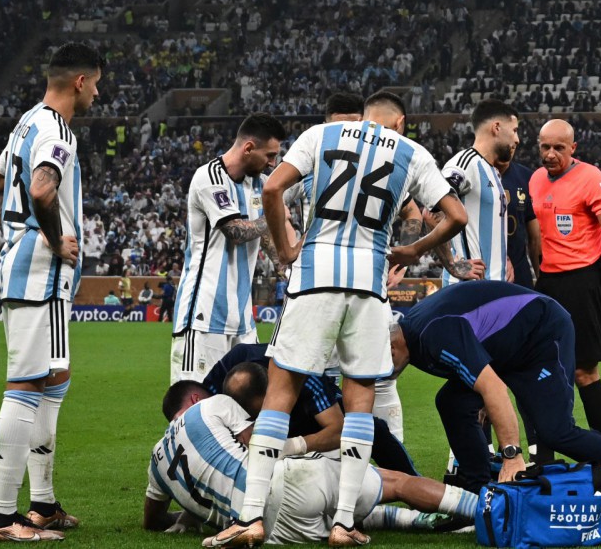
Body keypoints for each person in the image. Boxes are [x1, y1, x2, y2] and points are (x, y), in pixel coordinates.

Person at [212, 91, 469, 547]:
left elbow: (272, 189)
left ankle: (250, 517)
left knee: (281, 391)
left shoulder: (320, 134)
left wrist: (288, 249)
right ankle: (344, 523)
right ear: (399, 122)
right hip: (368, 286)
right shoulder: (411, 152)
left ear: (364, 116)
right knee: (360, 400)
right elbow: (456, 216)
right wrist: (414, 250)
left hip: (314, 277)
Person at [389, 280, 601, 539]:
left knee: (556, 431)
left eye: (384, 362)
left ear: (391, 345)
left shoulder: (434, 334)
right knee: (451, 402)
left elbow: (493, 389)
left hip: (542, 333)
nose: (384, 372)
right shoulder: (412, 336)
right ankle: (475, 498)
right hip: (506, 348)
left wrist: (511, 454)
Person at [0, 41, 103, 542]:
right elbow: (41, 190)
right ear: (79, 82)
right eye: (96, 82)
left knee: (54, 378)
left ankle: (43, 505)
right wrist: (48, 239)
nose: (97, 92)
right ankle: (2, 518)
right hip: (40, 274)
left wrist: (14, 236)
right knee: (26, 384)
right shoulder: (56, 129)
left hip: (29, 270)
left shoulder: (24, 123)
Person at [144, 386, 479, 545]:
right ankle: (487, 510)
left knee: (347, 513)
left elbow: (153, 520)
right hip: (282, 484)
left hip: (270, 532)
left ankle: (427, 522)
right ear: (194, 399)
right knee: (394, 483)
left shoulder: (156, 461)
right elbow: (259, 444)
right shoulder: (211, 406)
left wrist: (191, 514)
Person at [171, 113, 288, 383]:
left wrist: (286, 267)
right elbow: (235, 231)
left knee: (246, 403)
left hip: (243, 318)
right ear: (248, 148)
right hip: (204, 315)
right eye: (269, 155)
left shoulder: (260, 185)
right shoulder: (209, 177)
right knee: (193, 402)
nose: (273, 162)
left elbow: (268, 237)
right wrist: (273, 216)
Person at [528, 119, 601, 441]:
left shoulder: (591, 179)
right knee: (545, 371)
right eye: (546, 147)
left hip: (581, 283)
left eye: (559, 147)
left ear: (573, 148)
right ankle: (544, 455)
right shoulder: (536, 179)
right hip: (547, 284)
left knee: (584, 372)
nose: (551, 154)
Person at [212, 353, 418, 476]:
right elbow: (192, 403)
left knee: (373, 429)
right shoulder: (231, 363)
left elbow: (337, 431)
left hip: (312, 418)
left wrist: (292, 446)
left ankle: (415, 485)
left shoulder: (302, 375)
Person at [438, 99, 520, 284]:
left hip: (491, 288)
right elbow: (431, 213)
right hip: (468, 290)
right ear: (496, 127)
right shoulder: (465, 164)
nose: (517, 139)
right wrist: (453, 265)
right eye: (514, 130)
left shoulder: (492, 171)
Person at [497, 153, 540, 289]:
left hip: (520, 273)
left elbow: (535, 238)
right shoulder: (474, 172)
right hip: (485, 271)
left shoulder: (527, 177)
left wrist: (540, 278)